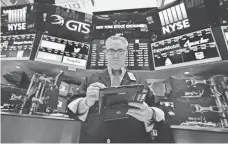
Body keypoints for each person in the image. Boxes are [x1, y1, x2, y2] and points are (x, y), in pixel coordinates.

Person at [67, 35, 168, 143]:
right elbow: (70, 108)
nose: (115, 55)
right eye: (111, 51)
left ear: (126, 53)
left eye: (120, 51)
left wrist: (150, 114)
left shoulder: (140, 80)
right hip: (94, 139)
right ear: (106, 53)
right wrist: (86, 102)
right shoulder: (91, 79)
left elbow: (159, 110)